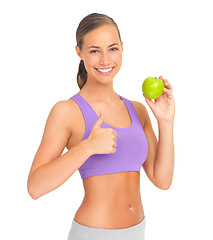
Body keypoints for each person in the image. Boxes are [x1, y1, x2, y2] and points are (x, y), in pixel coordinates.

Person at [27, 12, 175, 240]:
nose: (105, 60)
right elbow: (35, 187)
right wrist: (88, 147)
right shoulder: (66, 111)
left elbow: (162, 180)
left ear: (122, 48)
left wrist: (165, 121)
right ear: (79, 52)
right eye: (94, 51)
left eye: (113, 48)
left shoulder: (138, 110)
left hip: (137, 232)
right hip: (93, 234)